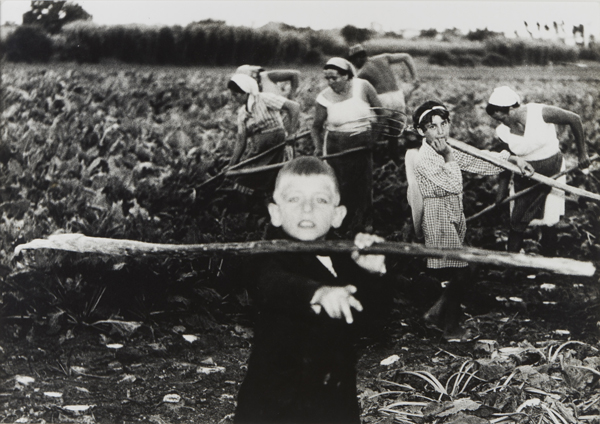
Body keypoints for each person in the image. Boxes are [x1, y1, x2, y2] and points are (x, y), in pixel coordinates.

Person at [234, 156, 388, 424]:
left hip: (333, 399)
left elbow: (372, 318)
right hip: (275, 403)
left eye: (320, 200)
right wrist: (317, 293)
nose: (307, 209)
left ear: (337, 214)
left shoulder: (343, 259)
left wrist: (372, 273)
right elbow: (274, 283)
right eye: (294, 199)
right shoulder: (269, 255)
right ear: (276, 212)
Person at [412, 100, 533, 341]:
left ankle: (435, 316)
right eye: (432, 127)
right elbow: (454, 182)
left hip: (453, 212)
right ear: (420, 131)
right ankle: (449, 328)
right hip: (437, 216)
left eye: (443, 124)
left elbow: (479, 159)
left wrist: (512, 160)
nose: (440, 131)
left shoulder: (447, 148)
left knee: (459, 272)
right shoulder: (424, 158)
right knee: (463, 271)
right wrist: (447, 155)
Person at [485, 86, 591, 255]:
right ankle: (510, 268)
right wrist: (501, 192)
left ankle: (547, 268)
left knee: (549, 220)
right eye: (498, 119)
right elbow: (506, 161)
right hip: (525, 177)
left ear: (512, 108)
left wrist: (582, 154)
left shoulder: (539, 112)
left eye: (504, 116)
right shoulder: (503, 131)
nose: (503, 122)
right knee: (517, 222)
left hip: (553, 171)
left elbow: (574, 119)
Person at [311, 57, 386, 235]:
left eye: (334, 78)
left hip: (361, 143)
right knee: (338, 184)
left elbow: (382, 115)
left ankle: (363, 222)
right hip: (335, 145)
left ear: (346, 76)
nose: (330, 82)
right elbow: (315, 127)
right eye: (327, 78)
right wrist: (317, 147)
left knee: (362, 183)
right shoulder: (323, 97)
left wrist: (373, 139)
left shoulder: (363, 87)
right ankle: (339, 223)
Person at [226, 73, 300, 214]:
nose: (233, 98)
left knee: (264, 179)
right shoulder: (242, 113)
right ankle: (247, 215)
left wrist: (291, 133)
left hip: (275, 146)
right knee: (242, 179)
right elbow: (241, 140)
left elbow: (294, 107)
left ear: (245, 92)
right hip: (260, 150)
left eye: (236, 94)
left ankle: (261, 214)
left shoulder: (264, 99)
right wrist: (232, 164)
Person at [347, 44, 419, 162]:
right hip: (398, 97)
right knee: (394, 132)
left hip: (383, 100)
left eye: (354, 61)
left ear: (358, 58)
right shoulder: (383, 58)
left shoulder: (362, 73)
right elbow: (406, 56)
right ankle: (394, 157)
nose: (354, 65)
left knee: (374, 128)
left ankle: (371, 154)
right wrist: (415, 78)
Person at [236, 64, 301, 135]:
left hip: (286, 113)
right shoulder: (248, 91)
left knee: (291, 135)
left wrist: (292, 95)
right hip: (270, 122)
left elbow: (295, 74)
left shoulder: (267, 77)